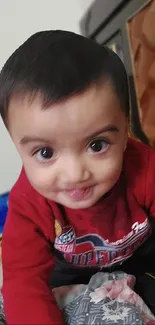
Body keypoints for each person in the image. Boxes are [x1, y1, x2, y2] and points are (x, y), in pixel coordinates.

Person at [0, 30, 155, 325]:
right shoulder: (28, 203)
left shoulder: (145, 168)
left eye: (97, 145)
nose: (74, 175)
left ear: (125, 132)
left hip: (141, 258)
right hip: (70, 271)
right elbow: (23, 280)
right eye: (45, 152)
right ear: (17, 144)